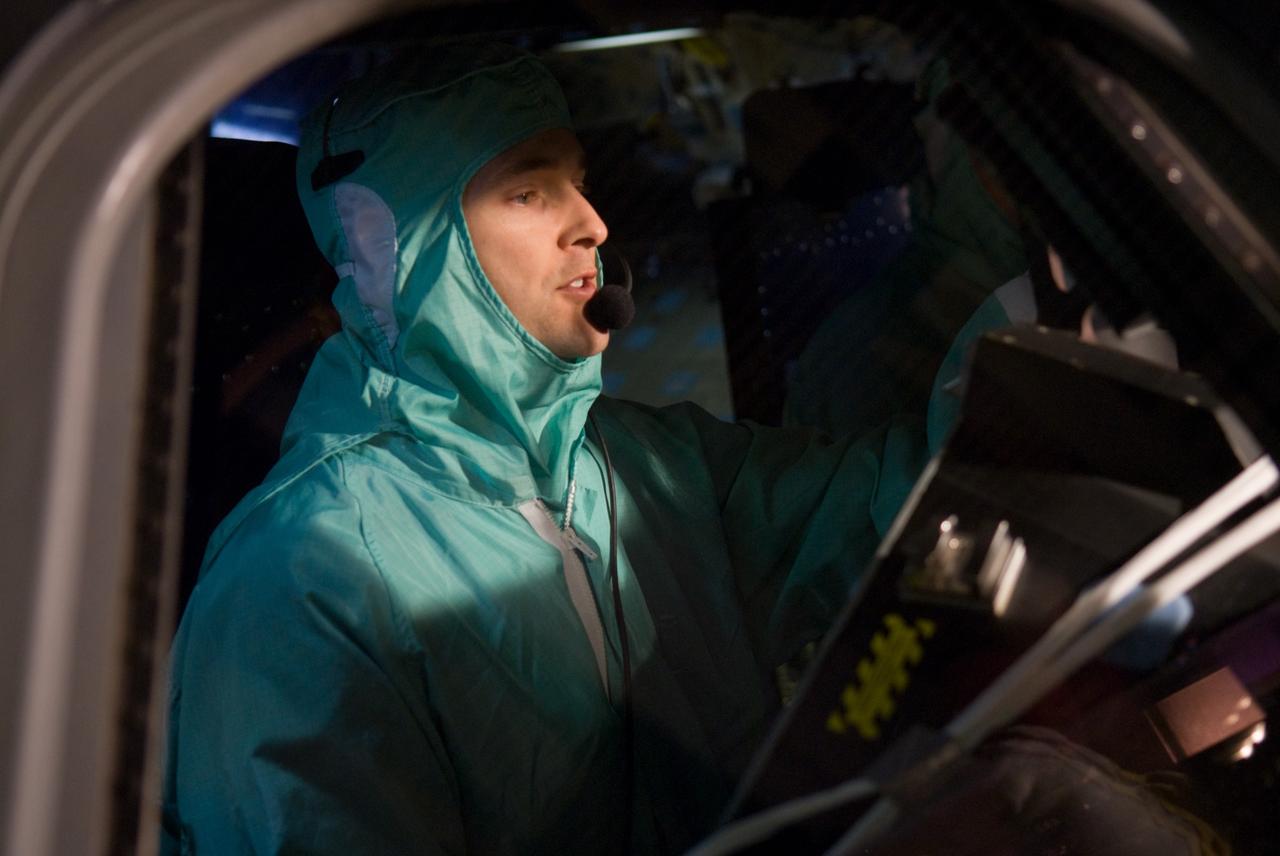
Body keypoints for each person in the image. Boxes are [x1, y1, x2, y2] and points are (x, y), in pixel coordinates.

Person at [161, 44, 920, 855]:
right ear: (410, 256)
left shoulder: (652, 469)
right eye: (527, 191)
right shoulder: (305, 576)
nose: (592, 225)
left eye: (579, 182)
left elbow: (905, 507)